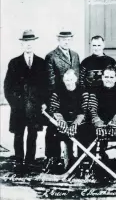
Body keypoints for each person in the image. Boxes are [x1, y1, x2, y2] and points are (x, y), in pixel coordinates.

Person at [4, 30, 48, 172]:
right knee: (18, 134)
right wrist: (15, 104)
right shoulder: (14, 63)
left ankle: (30, 161)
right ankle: (18, 161)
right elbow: (7, 87)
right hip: (19, 107)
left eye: (31, 42)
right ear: (22, 44)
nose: (29, 45)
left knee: (33, 134)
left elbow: (45, 86)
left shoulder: (41, 63)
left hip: (34, 107)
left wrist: (43, 102)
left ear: (34, 43)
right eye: (26, 42)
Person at [45, 29, 81, 162]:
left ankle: (74, 159)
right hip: (59, 98)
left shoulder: (75, 55)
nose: (66, 41)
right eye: (63, 39)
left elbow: (79, 77)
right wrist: (56, 98)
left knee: (77, 127)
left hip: (74, 98)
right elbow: (51, 81)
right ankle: (53, 158)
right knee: (55, 128)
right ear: (58, 40)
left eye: (69, 39)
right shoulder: (51, 56)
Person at [45, 69, 89, 174]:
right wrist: (61, 121)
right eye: (66, 80)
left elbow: (84, 111)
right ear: (63, 80)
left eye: (71, 79)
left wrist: (75, 125)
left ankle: (83, 161)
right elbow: (54, 109)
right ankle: (53, 159)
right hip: (62, 122)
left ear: (75, 79)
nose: (69, 82)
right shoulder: (57, 92)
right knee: (50, 130)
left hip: (78, 123)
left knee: (87, 131)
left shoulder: (83, 92)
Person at [89, 66, 116, 176]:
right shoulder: (95, 90)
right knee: (88, 131)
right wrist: (98, 123)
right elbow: (92, 108)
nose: (108, 79)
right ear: (102, 77)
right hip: (99, 122)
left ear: (115, 78)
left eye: (111, 77)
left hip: (115, 122)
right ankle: (94, 162)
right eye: (106, 77)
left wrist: (115, 122)